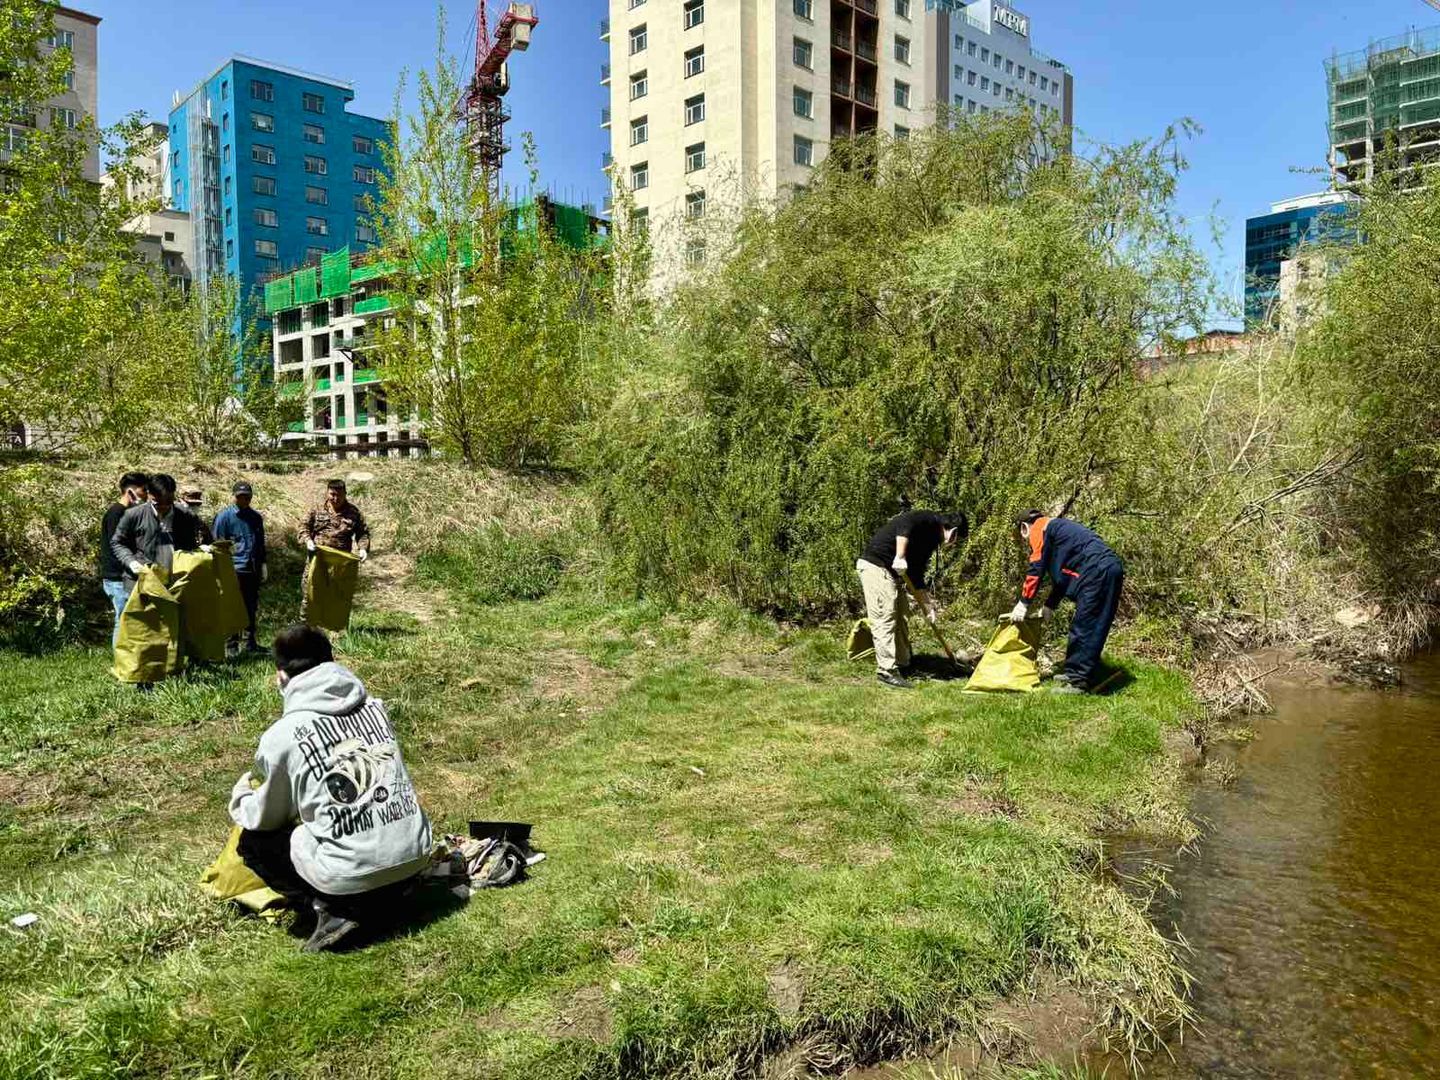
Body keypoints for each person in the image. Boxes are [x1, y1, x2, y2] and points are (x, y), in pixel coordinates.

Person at [229, 624, 433, 952]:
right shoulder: (376, 709)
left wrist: (241, 797)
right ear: (331, 662)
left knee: (254, 843)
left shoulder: (282, 736)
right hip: (415, 857)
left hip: (353, 875)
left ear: (280, 677)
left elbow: (265, 818)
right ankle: (392, 895)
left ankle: (333, 909)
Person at [1004, 510, 1125, 694]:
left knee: (1086, 625)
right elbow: (1064, 577)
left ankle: (1078, 682)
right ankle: (1074, 673)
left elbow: (1035, 569)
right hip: (1101, 569)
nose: (1027, 543)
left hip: (1098, 572)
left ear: (1024, 527)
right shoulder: (1056, 531)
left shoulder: (1039, 528)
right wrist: (1050, 605)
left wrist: (1023, 603)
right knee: (1085, 623)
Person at [857, 509, 968, 690]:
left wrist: (928, 606)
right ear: (953, 531)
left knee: (901, 616)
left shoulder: (930, 543)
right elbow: (904, 524)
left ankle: (903, 663)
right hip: (876, 566)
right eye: (957, 539)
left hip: (893, 574)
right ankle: (886, 671)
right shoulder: (929, 519)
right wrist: (900, 556)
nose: (954, 544)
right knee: (885, 616)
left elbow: (916, 575)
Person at [110, 473, 211, 590]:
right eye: (157, 503)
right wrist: (131, 562)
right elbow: (117, 543)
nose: (163, 506)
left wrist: (200, 550)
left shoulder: (186, 515)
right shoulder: (133, 515)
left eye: (168, 502)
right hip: (142, 582)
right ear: (148, 494)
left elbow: (193, 543)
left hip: (177, 582)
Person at [298, 479, 370, 624]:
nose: (336, 499)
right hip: (317, 560)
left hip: (340, 564)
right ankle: (306, 628)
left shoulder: (353, 513)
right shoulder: (316, 509)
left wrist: (363, 549)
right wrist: (308, 541)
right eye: (332, 494)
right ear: (327, 492)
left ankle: (334, 626)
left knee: (338, 594)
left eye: (340, 495)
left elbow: (363, 533)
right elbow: (303, 526)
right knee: (310, 594)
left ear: (345, 494)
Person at [213, 481, 268, 653]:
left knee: (251, 606)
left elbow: (260, 544)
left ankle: (250, 643)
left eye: (247, 496)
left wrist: (263, 564)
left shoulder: (255, 518)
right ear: (234, 496)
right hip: (233, 569)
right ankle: (231, 645)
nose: (244, 499)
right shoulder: (224, 517)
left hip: (252, 568)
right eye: (240, 496)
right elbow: (218, 544)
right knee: (232, 607)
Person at [99, 471, 150, 644]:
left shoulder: (127, 513)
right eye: (144, 490)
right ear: (131, 491)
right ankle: (121, 663)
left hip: (125, 576)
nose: (146, 495)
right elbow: (118, 546)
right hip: (117, 577)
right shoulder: (116, 513)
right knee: (122, 620)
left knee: (129, 621)